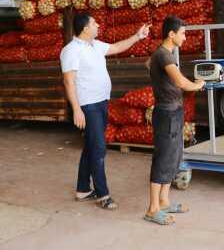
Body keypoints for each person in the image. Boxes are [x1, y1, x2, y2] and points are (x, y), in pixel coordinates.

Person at [60, 12, 150, 210]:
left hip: (101, 102)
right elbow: (68, 81)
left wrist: (138, 36)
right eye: (94, 23)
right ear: (85, 28)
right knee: (99, 148)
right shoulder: (71, 50)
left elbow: (117, 47)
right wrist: (76, 109)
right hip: (88, 105)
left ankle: (83, 189)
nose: (98, 25)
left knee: (91, 145)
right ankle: (103, 194)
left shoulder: (95, 45)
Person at [145, 15, 205, 225]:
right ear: (171, 34)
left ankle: (164, 201)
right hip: (167, 114)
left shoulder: (164, 54)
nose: (185, 38)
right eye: (183, 33)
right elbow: (181, 82)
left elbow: (152, 67)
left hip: (174, 111)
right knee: (163, 159)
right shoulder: (163, 55)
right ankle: (152, 209)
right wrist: (198, 85)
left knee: (174, 156)